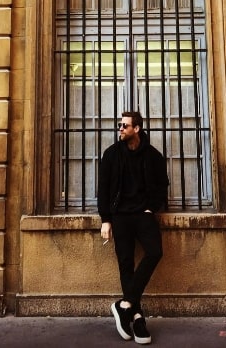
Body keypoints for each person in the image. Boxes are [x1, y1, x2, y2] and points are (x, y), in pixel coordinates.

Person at [98, 111, 169, 344]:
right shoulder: (111, 155)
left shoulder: (152, 156)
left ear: (136, 129)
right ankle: (137, 317)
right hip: (120, 217)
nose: (120, 129)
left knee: (155, 252)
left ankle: (124, 304)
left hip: (143, 215)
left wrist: (152, 207)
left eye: (125, 126)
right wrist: (106, 219)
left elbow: (162, 185)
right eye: (119, 125)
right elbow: (104, 189)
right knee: (125, 264)